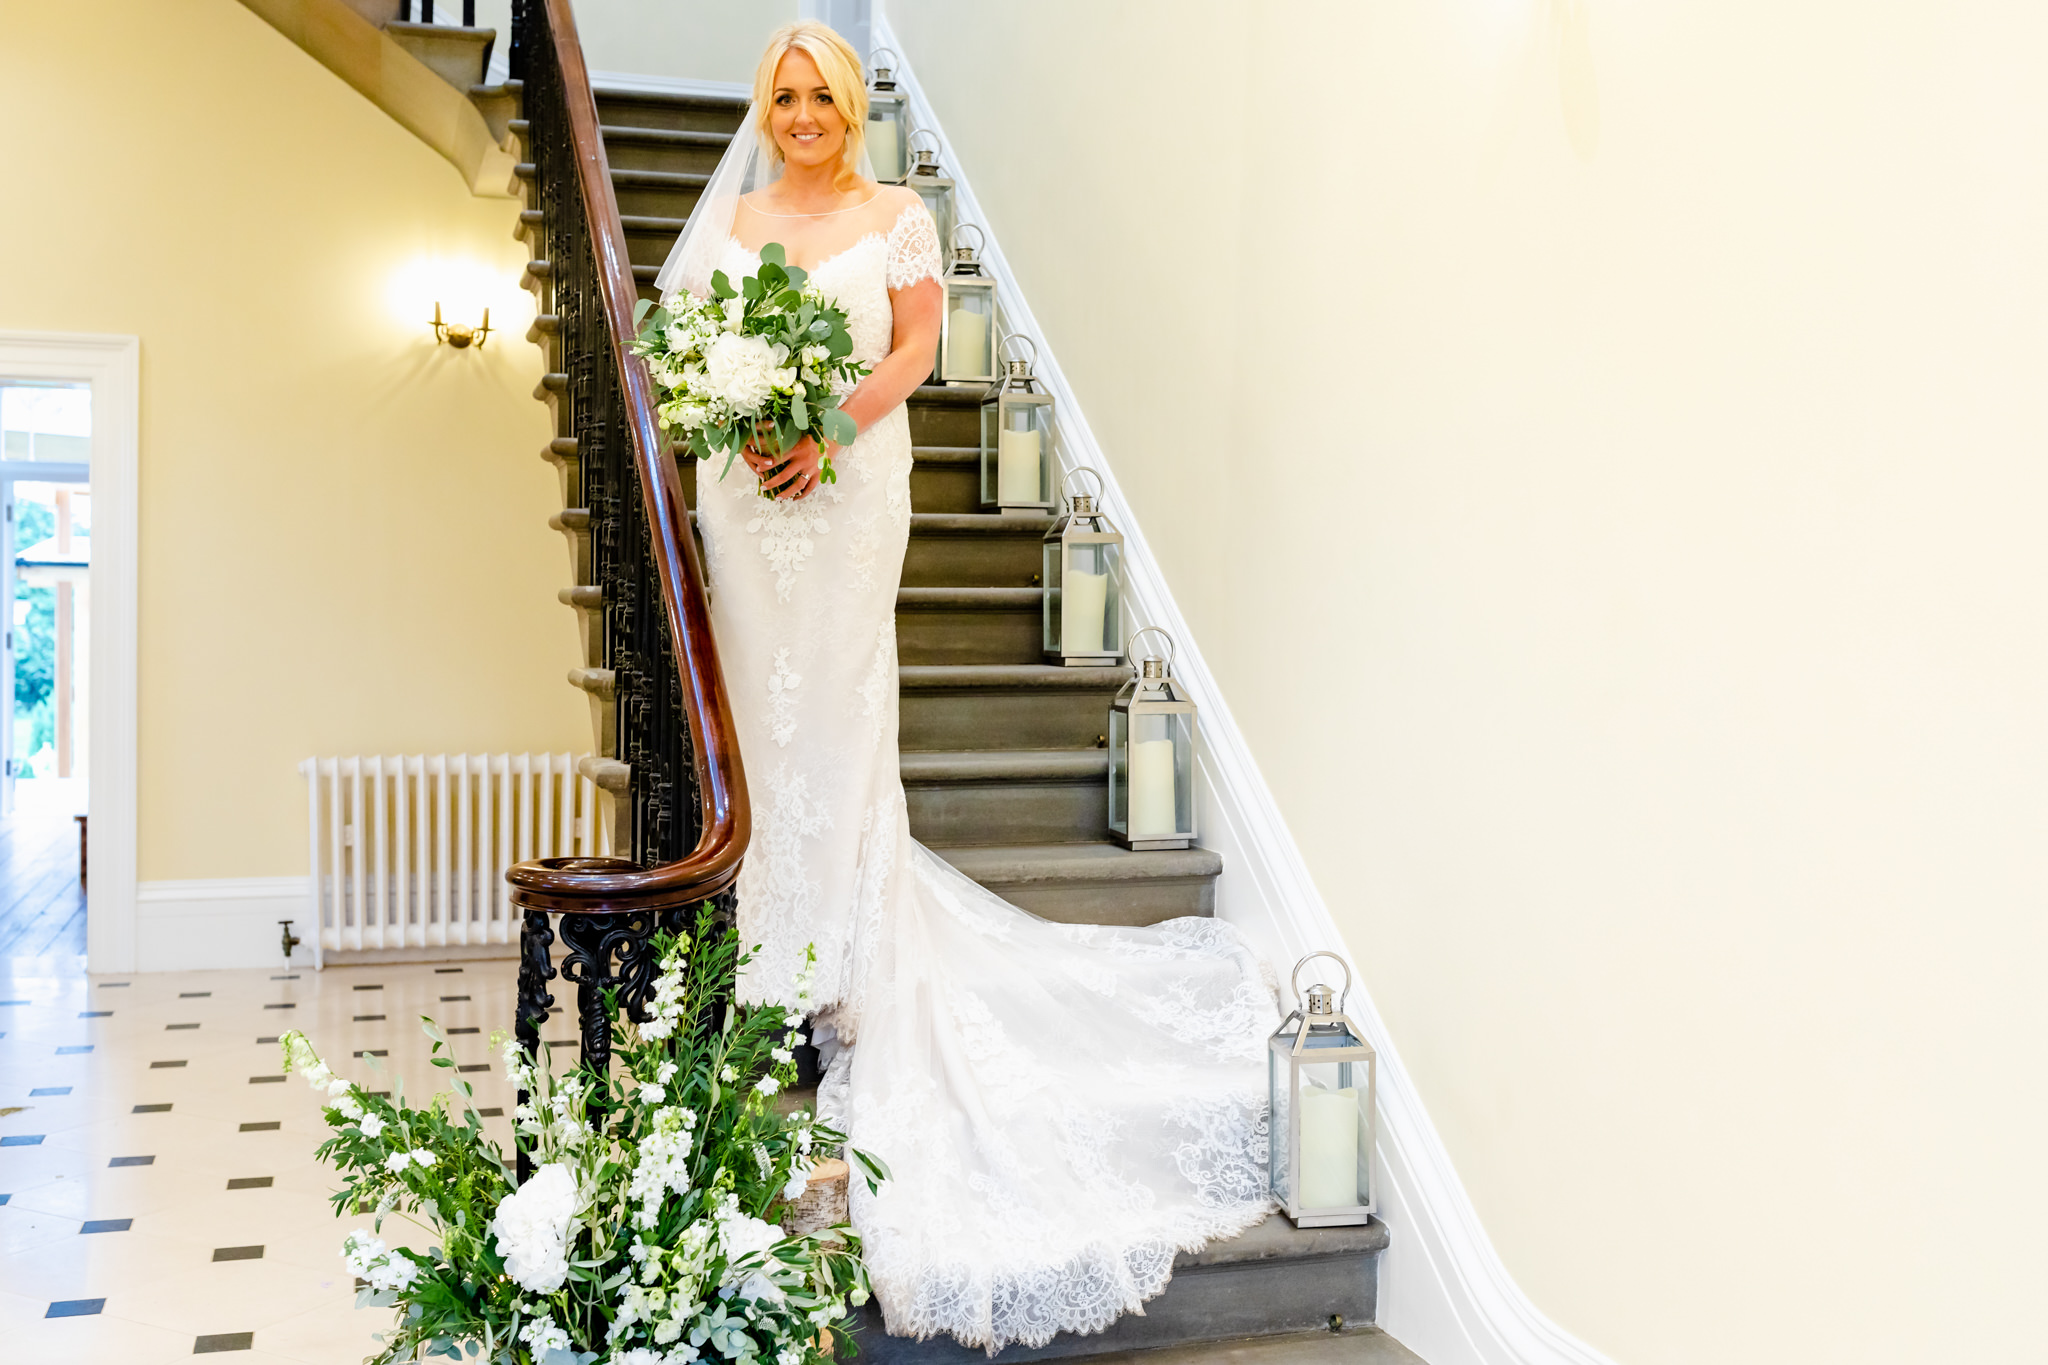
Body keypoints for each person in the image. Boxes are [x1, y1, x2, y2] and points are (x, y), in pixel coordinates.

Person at [657, 21, 1277, 1353]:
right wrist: (747, 424)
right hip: (745, 508)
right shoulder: (738, 219)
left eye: (823, 90)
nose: (806, 110)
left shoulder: (898, 217)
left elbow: (914, 355)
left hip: (847, 492)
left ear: (852, 103)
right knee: (761, 723)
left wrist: (823, 428)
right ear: (763, 109)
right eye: (786, 94)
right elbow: (696, 357)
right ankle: (768, 938)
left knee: (835, 706)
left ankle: (846, 949)